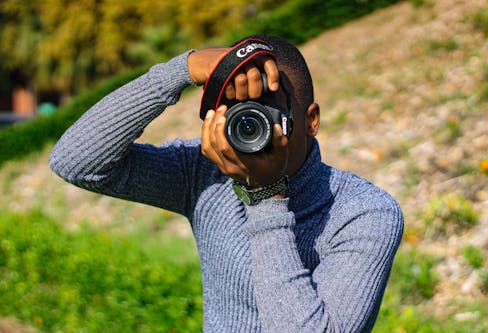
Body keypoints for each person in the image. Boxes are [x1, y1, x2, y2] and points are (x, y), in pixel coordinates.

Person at [50, 34, 404, 332]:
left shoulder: (364, 212)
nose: (254, 124)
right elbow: (77, 162)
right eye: (240, 112)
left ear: (311, 120)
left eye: (269, 109)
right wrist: (180, 71)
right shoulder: (205, 173)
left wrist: (265, 196)